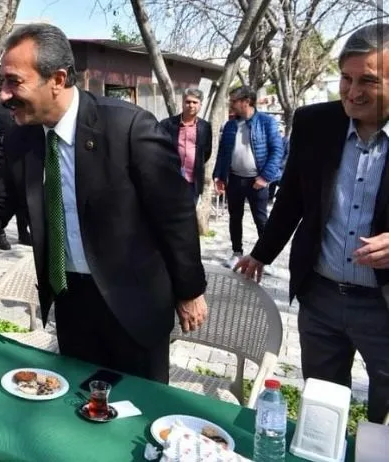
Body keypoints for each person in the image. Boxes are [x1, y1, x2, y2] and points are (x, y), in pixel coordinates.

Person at [0, 24, 207, 383]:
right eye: (2, 83)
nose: (4, 96)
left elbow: (175, 214)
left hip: (134, 304)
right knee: (79, 407)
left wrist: (190, 291)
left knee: (139, 414)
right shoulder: (24, 138)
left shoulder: (128, 127)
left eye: (14, 82)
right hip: (71, 302)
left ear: (56, 79)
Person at [235, 23, 389, 423]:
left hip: (384, 306)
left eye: (368, 81)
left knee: (384, 420)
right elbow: (292, 200)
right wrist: (261, 253)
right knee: (321, 409)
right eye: (346, 78)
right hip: (320, 297)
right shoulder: (315, 122)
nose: (352, 92)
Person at [212, 86, 284, 268]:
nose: (231, 104)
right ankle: (237, 252)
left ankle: (266, 258)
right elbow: (223, 153)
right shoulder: (230, 125)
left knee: (261, 220)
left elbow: (277, 151)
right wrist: (219, 177)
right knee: (234, 217)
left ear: (246, 101)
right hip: (234, 179)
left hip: (257, 182)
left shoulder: (266, 122)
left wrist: (265, 177)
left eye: (234, 101)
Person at [159, 88, 213, 204]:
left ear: (200, 105)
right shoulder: (167, 124)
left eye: (195, 102)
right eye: (188, 102)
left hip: (193, 181)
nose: (191, 105)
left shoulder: (205, 127)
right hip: (171, 178)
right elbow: (159, 150)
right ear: (182, 103)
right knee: (169, 212)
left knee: (189, 215)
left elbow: (206, 152)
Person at [0, 100, 32, 250]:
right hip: (1, 159)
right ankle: (0, 235)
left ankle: (23, 233)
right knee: (0, 198)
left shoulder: (25, 107)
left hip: (22, 159)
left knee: (23, 199)